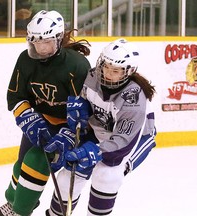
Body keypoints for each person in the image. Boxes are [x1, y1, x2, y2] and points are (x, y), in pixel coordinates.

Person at [0, 10, 91, 216]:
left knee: (36, 161)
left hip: (68, 126)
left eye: (46, 42)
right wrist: (28, 119)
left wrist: (69, 134)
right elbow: (15, 96)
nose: (40, 48)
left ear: (58, 39)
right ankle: (14, 201)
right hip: (40, 120)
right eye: (36, 42)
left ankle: (21, 210)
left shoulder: (77, 65)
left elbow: (85, 108)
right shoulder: (25, 60)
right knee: (22, 164)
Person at [44, 38, 157, 215]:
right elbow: (86, 101)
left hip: (134, 139)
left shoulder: (133, 100)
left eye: (116, 70)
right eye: (105, 66)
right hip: (101, 130)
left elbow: (122, 142)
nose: (107, 73)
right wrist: (80, 108)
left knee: (107, 175)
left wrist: (94, 151)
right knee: (69, 175)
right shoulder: (92, 76)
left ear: (128, 72)